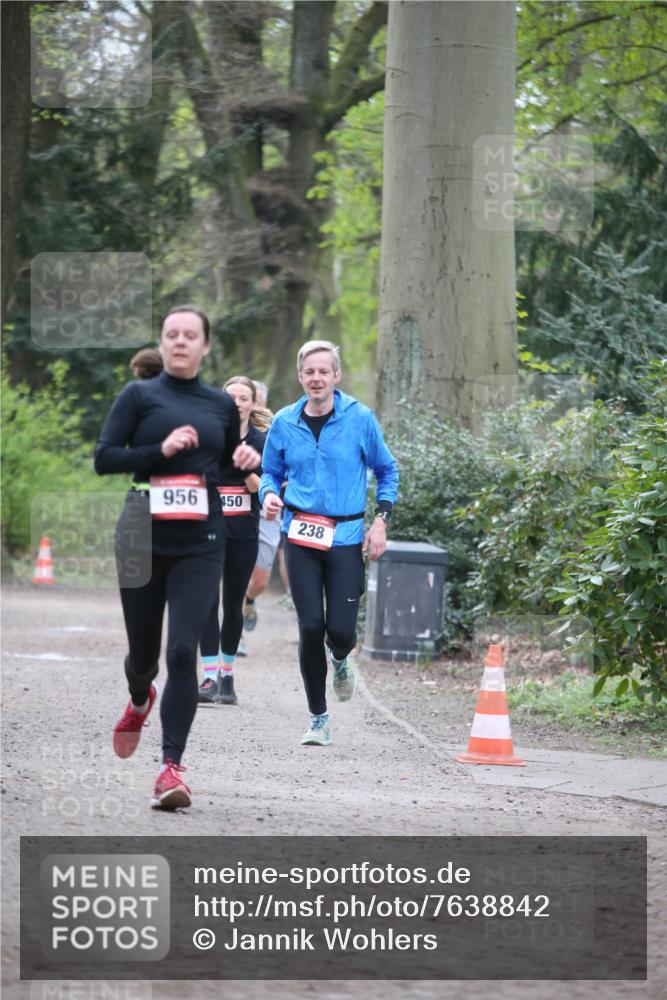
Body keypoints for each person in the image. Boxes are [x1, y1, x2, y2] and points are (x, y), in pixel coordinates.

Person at [94, 305, 260, 810]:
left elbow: (232, 458)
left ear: (205, 346)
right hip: (142, 536)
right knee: (143, 658)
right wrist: (161, 450)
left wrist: (247, 460)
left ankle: (170, 769)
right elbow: (105, 458)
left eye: (191, 335)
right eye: (172, 335)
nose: (181, 342)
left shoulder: (218, 405)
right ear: (162, 344)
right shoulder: (139, 396)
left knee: (184, 652)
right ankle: (140, 698)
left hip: (200, 543)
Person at [259, 340, 399, 746]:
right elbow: (270, 472)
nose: (316, 378)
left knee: (339, 631)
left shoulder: (359, 419)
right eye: (309, 372)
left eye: (324, 371)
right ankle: (318, 719)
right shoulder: (284, 422)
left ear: (336, 376)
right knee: (309, 626)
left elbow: (387, 471)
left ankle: (340, 658)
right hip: (299, 534)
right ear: (301, 376)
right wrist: (268, 495)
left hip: (347, 534)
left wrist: (380, 522)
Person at [198, 376, 271, 705]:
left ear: (253, 403)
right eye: (232, 397)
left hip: (243, 532)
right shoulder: (208, 436)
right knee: (206, 603)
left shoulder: (262, 440)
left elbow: (261, 488)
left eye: (244, 398)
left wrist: (242, 466)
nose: (238, 403)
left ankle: (227, 676)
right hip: (209, 530)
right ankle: (209, 677)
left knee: (232, 605)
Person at [242, 380, 285, 633]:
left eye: (254, 398)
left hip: (267, 510)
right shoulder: (228, 430)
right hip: (235, 507)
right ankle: (233, 633)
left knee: (260, 581)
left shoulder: (276, 430)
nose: (250, 404)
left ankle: (249, 600)